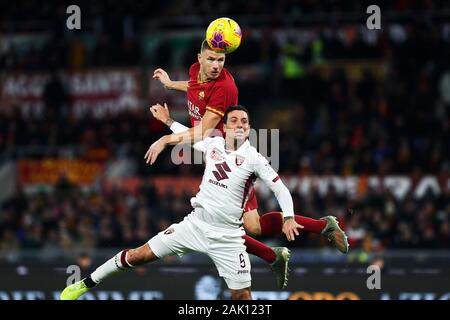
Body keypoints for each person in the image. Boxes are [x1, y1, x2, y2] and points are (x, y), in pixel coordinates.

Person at [60, 106, 301, 300]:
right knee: (137, 255)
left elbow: (280, 188)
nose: (240, 125)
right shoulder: (213, 144)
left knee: (242, 296)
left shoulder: (255, 159)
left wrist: (288, 217)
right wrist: (167, 122)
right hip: (194, 226)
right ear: (225, 127)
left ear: (249, 129)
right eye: (234, 121)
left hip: (228, 237)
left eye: (244, 122)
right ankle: (84, 284)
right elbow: (188, 136)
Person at [150, 41, 349, 265]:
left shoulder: (224, 88)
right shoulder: (197, 73)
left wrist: (167, 134)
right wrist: (170, 85)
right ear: (199, 58)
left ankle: (277, 252)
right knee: (253, 226)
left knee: (221, 226)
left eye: (220, 60)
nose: (216, 65)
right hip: (216, 155)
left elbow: (201, 134)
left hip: (231, 160)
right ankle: (315, 231)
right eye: (211, 59)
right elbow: (196, 87)